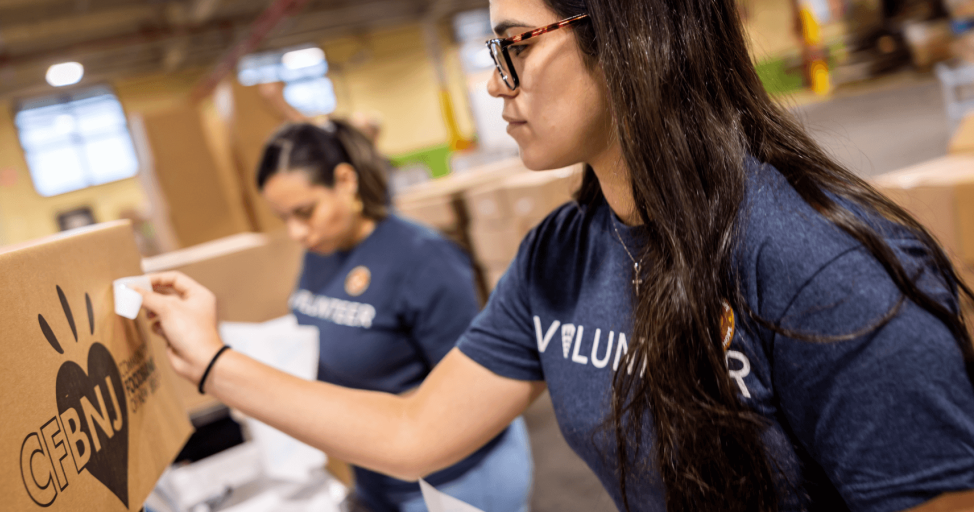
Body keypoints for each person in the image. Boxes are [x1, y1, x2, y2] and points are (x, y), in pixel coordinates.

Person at [138, 0, 974, 510]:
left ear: (629, 33)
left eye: (515, 45)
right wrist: (213, 361)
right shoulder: (559, 258)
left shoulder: (817, 265)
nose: (495, 86)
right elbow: (416, 429)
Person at [227, 119, 533, 512]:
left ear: (344, 180)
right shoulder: (320, 256)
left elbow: (472, 396)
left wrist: (342, 414)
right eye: (283, 218)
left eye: (305, 212)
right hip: (376, 472)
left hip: (454, 481)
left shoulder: (424, 260)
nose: (297, 233)